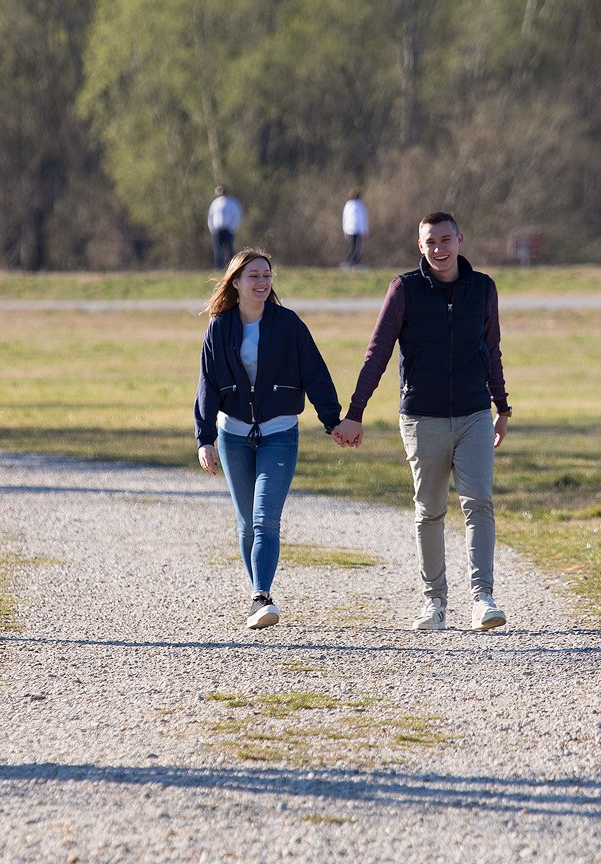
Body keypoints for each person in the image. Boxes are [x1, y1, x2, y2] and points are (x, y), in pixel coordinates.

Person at [332, 212, 513, 632]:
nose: (439, 249)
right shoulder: (404, 290)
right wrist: (355, 413)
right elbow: (376, 354)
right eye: (430, 242)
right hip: (421, 418)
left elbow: (493, 351)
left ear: (460, 239)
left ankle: (483, 598)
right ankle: (434, 603)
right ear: (420, 246)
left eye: (446, 240)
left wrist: (502, 409)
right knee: (430, 511)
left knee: (478, 503)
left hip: (473, 415)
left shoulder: (482, 288)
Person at [194, 248, 344, 630]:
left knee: (265, 520)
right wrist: (205, 437)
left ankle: (261, 596)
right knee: (246, 523)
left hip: (279, 433)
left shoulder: (288, 324)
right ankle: (258, 593)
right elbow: (207, 386)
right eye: (253, 276)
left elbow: (315, 373)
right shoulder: (219, 327)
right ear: (236, 283)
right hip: (233, 436)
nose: (262, 282)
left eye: (267, 275)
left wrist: (332, 421)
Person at [207, 186, 242, 269]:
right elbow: (211, 216)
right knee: (218, 250)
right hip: (217, 230)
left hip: (228, 229)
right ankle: (219, 267)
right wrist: (212, 228)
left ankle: (232, 267)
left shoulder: (232, 203)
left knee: (229, 249)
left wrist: (232, 227)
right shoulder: (215, 203)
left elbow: (236, 216)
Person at [341, 189, 369, 270]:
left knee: (357, 248)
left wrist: (364, 230)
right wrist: (345, 230)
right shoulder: (352, 205)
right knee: (355, 248)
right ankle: (348, 262)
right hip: (353, 229)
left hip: (357, 229)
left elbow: (363, 219)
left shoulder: (357, 205)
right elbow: (346, 218)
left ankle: (355, 263)